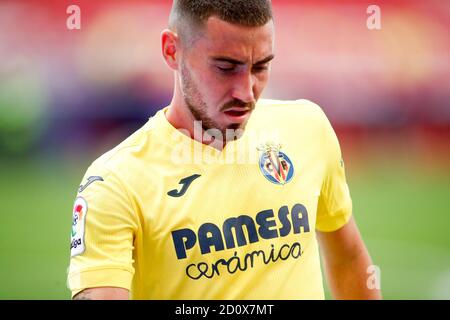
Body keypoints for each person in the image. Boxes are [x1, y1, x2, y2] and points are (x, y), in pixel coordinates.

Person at [68, 0, 382, 300]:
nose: (246, 92)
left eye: (260, 67)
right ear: (172, 51)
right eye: (226, 68)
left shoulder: (307, 128)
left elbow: (348, 259)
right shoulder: (115, 183)